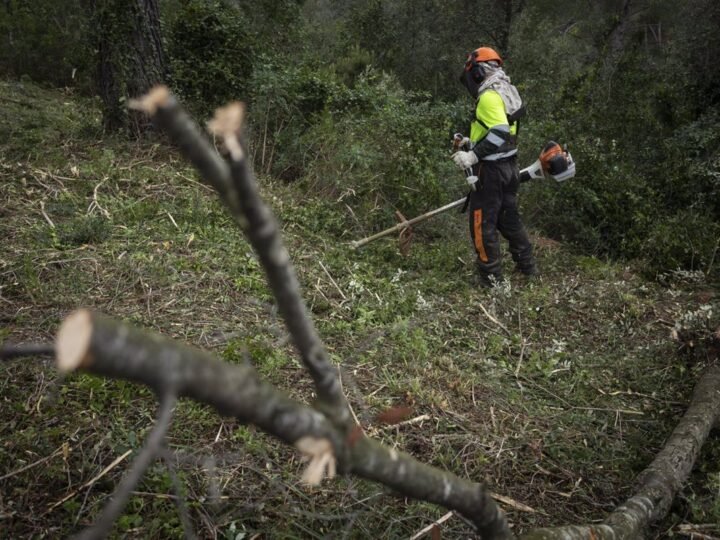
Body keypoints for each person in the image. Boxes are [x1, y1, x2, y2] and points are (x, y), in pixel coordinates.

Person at [451, 46, 536, 287]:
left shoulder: (488, 96)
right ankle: (527, 268)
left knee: (482, 224)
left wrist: (472, 156)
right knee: (509, 219)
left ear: (477, 73)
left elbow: (498, 131)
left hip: (490, 173)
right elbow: (504, 132)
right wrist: (471, 142)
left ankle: (491, 280)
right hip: (508, 167)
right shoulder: (506, 91)